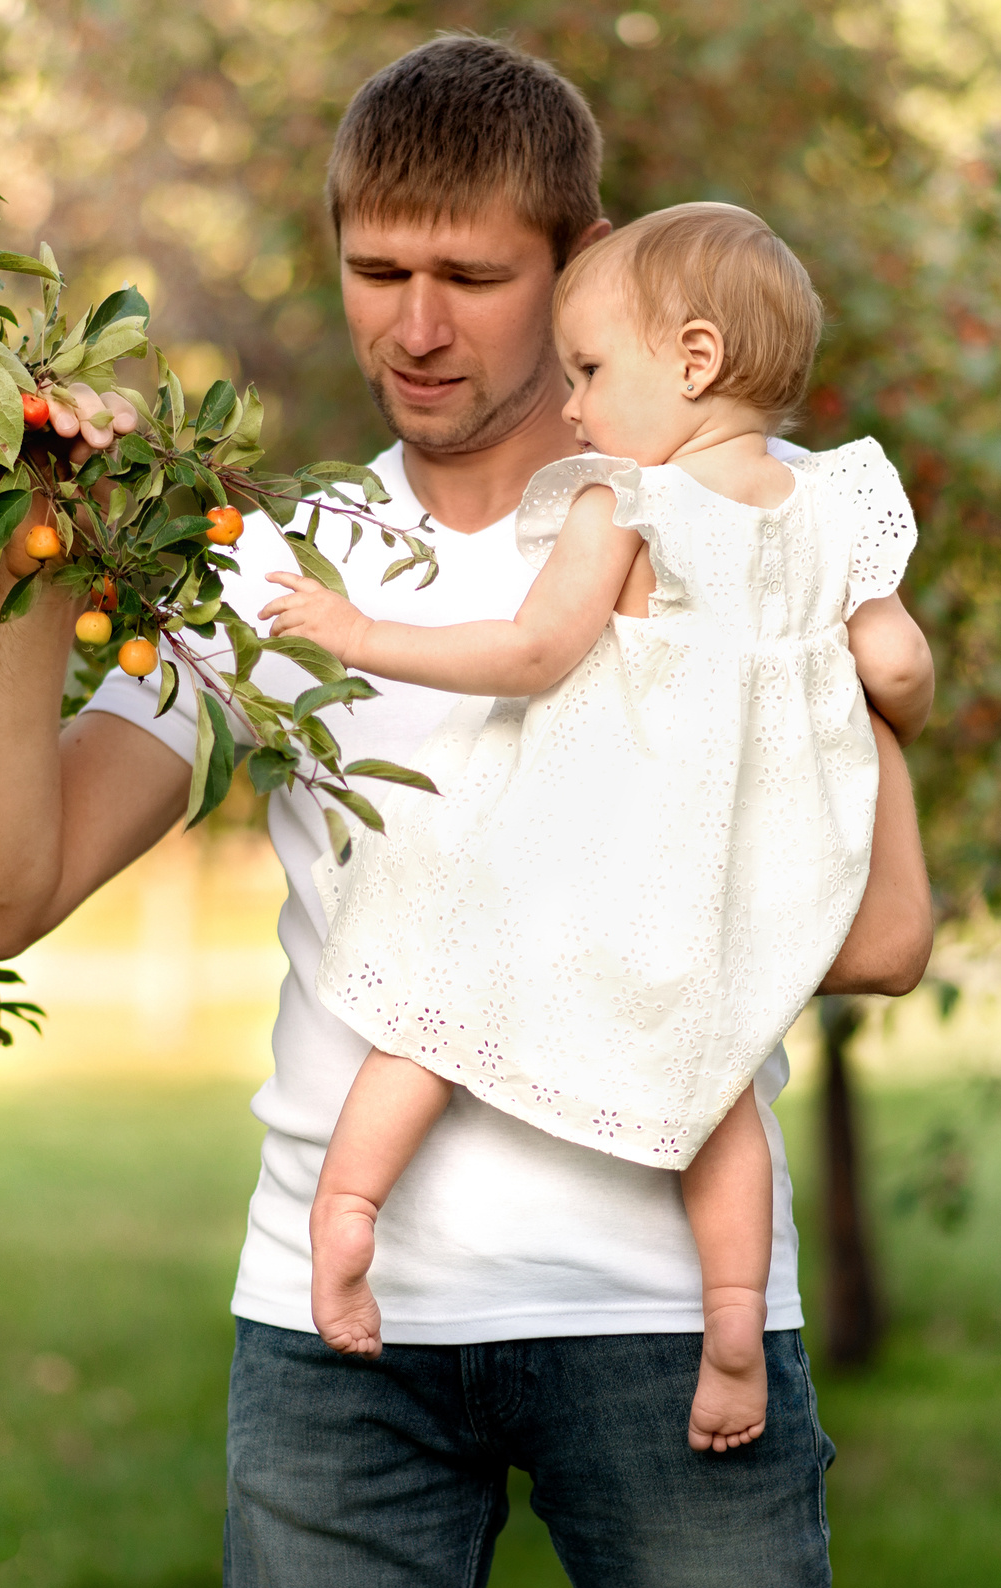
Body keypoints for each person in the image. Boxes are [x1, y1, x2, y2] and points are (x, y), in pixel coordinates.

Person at [0, 35, 935, 1588]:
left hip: (671, 1315)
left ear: (577, 268)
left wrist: (860, 692)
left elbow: (883, 932)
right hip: (340, 1341)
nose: (414, 324)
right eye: (375, 271)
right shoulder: (286, 569)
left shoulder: (734, 536)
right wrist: (44, 550)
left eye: (471, 276)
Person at [261, 202, 927, 1462]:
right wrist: (866, 695)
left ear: (690, 361)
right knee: (717, 1077)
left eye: (588, 371)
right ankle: (732, 1327)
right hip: (737, 879)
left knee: (432, 1000)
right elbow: (896, 664)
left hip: (589, 849)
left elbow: (530, 650)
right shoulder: (838, 504)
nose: (569, 407)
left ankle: (347, 1210)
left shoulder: (629, 501)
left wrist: (354, 634)